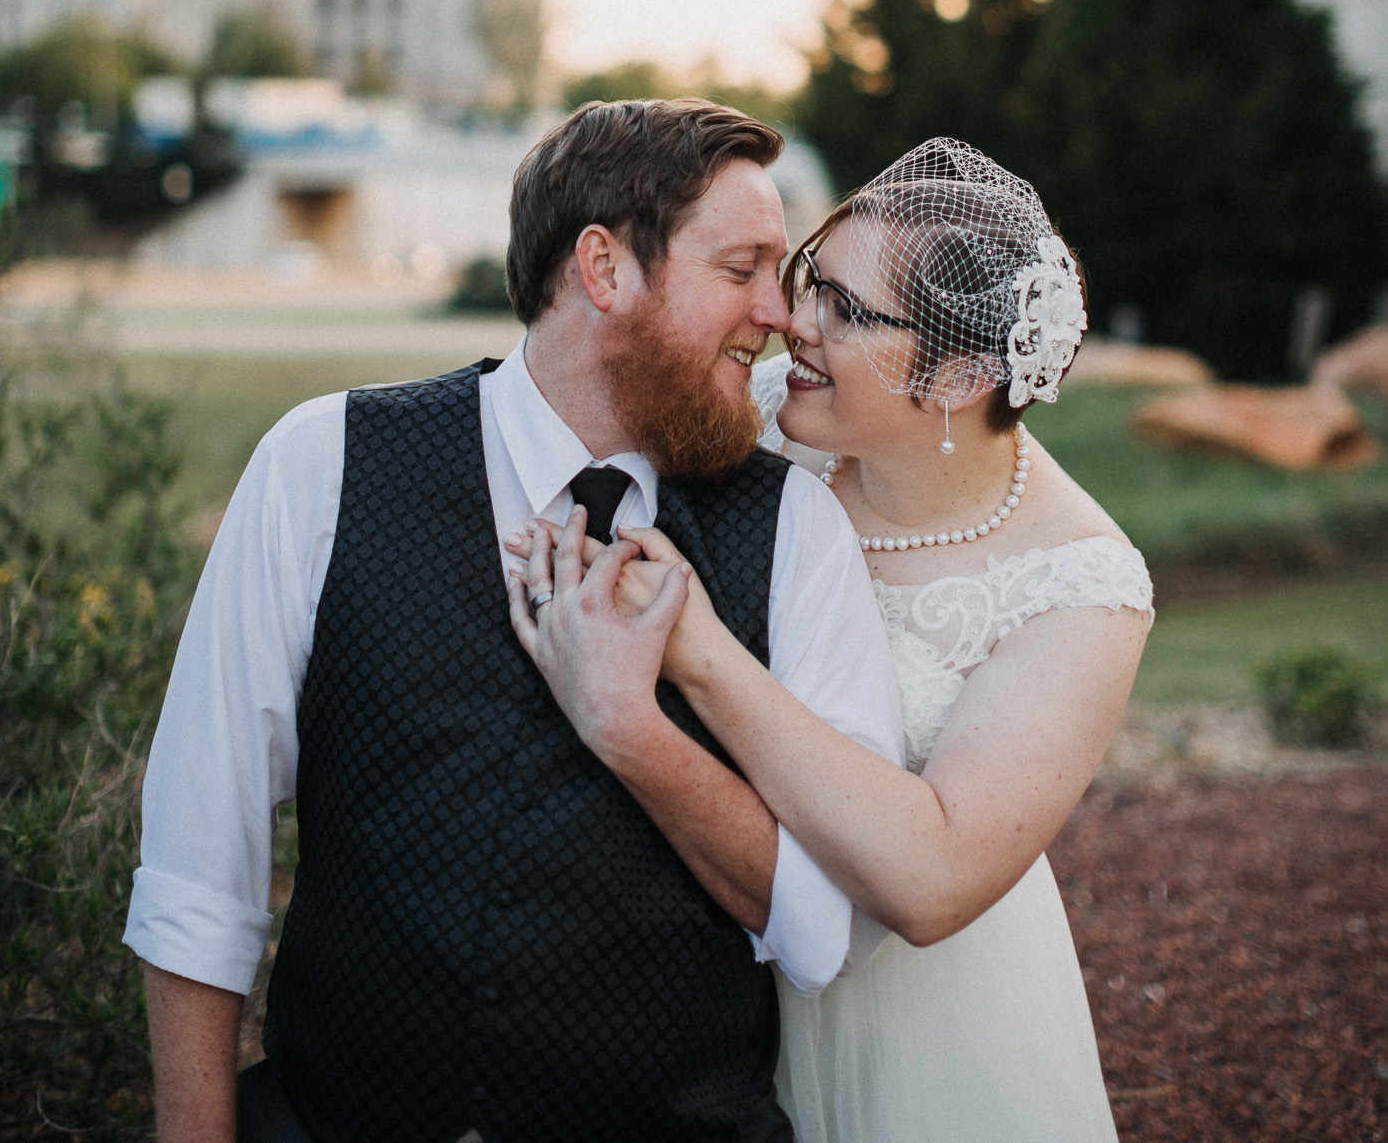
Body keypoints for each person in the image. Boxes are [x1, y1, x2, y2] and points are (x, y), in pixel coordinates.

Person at [124, 98, 905, 1143]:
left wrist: (632, 733)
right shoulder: (322, 466)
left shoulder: (796, 529)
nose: (782, 316)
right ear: (604, 270)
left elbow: (828, 930)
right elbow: (197, 865)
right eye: (741, 271)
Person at [510, 138, 1153, 1143]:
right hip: (703, 970)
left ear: (963, 375)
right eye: (810, 281)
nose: (787, 323)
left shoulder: (1082, 584)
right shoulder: (755, 422)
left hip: (923, 1029)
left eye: (844, 312)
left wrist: (703, 656)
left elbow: (935, 883)